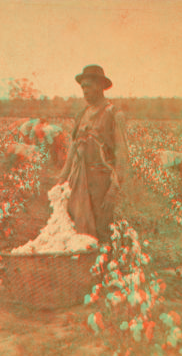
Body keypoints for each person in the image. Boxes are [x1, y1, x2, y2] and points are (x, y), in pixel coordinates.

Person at [58, 65, 129, 243]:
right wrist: (62, 179)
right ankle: (84, 268)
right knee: (78, 229)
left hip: (101, 183)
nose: (85, 91)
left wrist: (113, 190)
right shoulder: (81, 114)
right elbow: (73, 149)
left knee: (101, 230)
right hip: (79, 180)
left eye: (88, 86)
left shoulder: (113, 114)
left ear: (100, 86)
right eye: (82, 87)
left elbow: (122, 155)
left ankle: (103, 267)